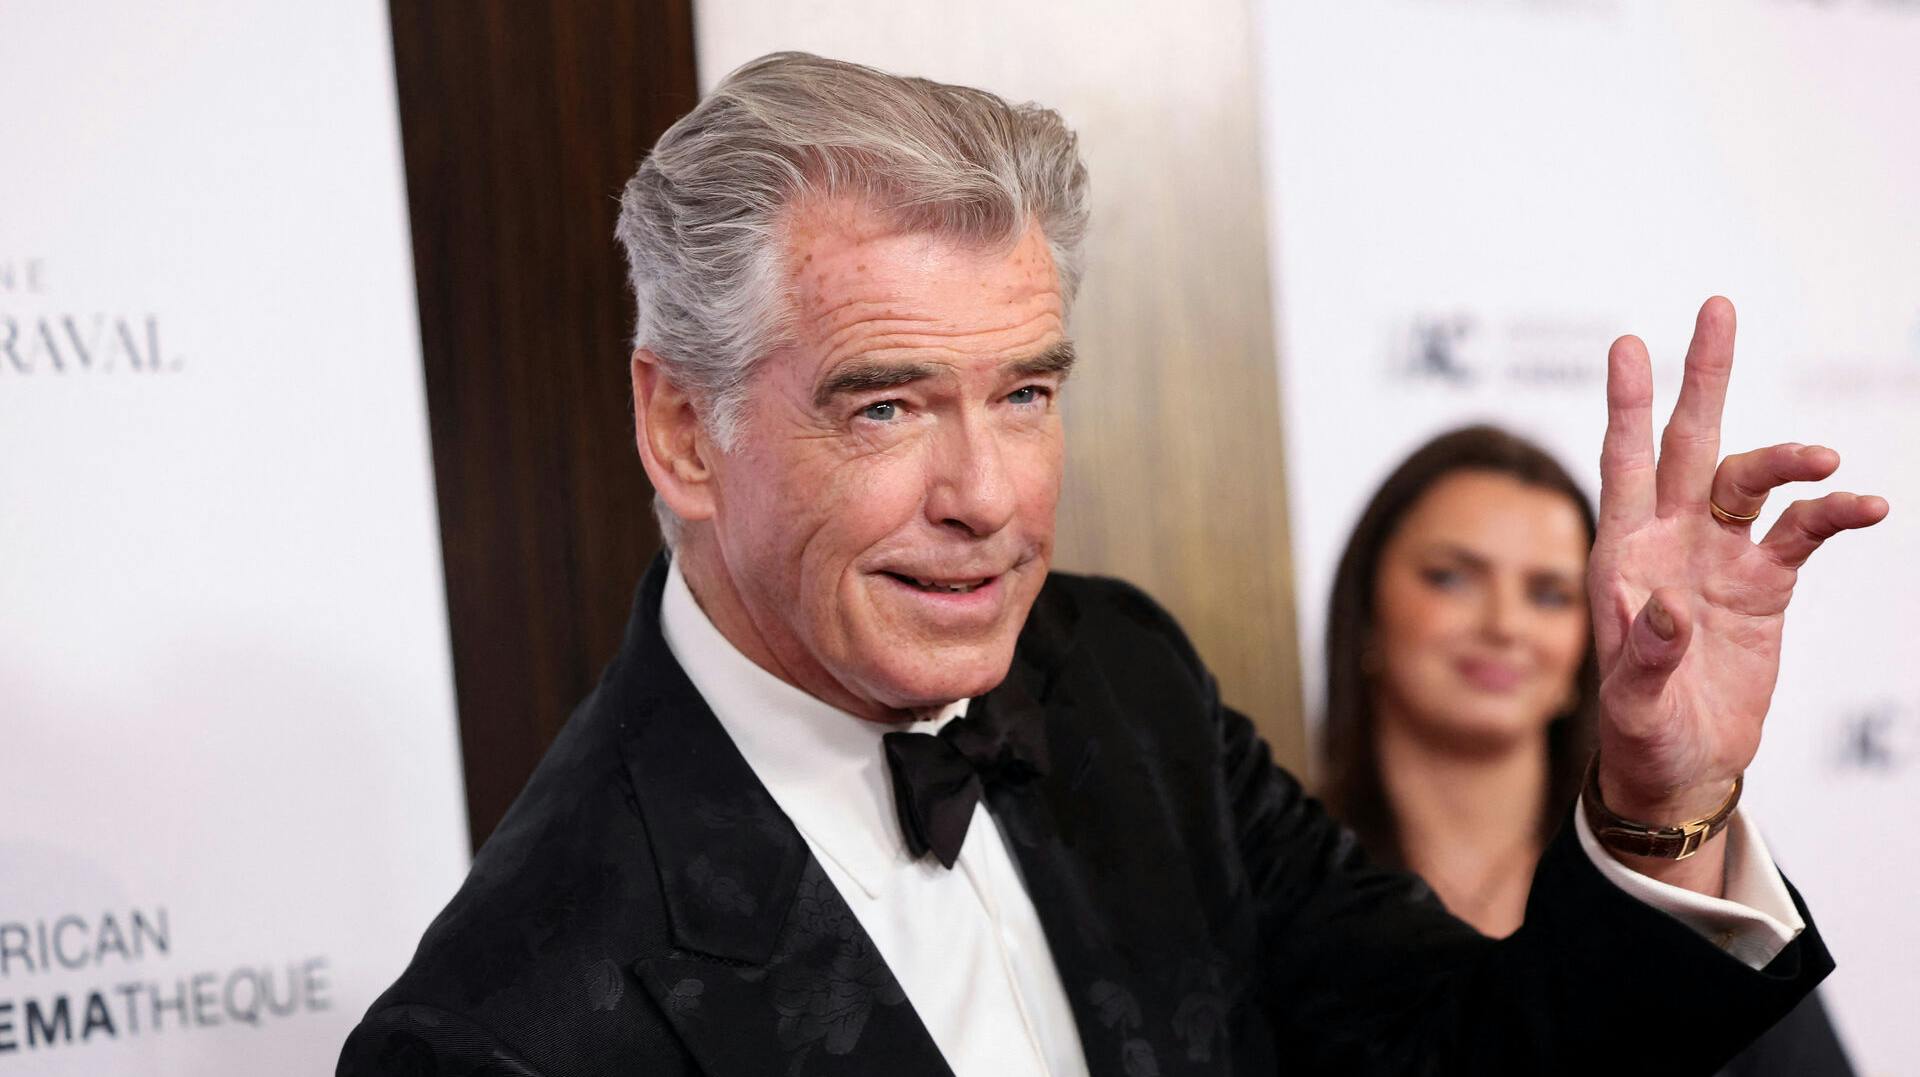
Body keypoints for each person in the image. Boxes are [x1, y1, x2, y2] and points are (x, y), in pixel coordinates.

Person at [337, 52, 1889, 1076]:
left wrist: (1655, 795)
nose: (988, 495)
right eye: (885, 404)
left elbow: (1480, 1053)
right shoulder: (505, 1032)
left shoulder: (1118, 678)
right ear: (682, 426)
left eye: (1026, 391)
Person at [1319, 424, 1856, 1075]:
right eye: (1451, 577)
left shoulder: (1680, 868)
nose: (1504, 625)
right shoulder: (1277, 877)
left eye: (1549, 594)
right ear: (1366, 611)